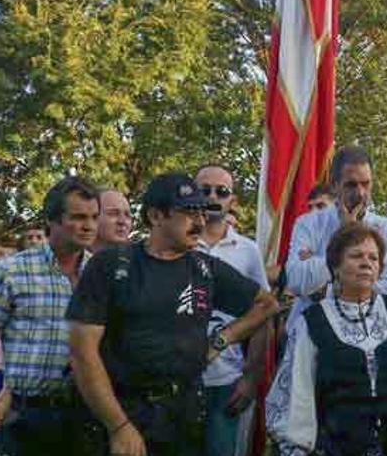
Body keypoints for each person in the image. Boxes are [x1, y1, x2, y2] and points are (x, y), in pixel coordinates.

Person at [67, 173, 279, 456]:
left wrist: (221, 340)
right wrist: (118, 426)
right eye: (189, 213)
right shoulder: (112, 266)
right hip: (123, 412)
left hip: (184, 416)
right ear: (156, 216)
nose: (200, 222)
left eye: (202, 213)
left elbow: (267, 305)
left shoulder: (205, 269)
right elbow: (83, 353)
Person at [266, 223, 387, 456]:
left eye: (373, 258)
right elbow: (296, 392)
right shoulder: (312, 321)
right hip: (335, 447)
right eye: (356, 256)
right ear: (336, 267)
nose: (366, 263)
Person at [0, 176, 99, 454]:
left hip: (79, 415)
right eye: (78, 217)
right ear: (51, 220)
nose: (89, 225)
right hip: (18, 415)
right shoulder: (11, 271)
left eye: (93, 216)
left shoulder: (100, 274)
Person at [195, 165, 271, 456]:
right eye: (205, 190)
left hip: (227, 380)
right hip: (179, 380)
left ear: (233, 201)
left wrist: (251, 377)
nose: (213, 196)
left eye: (222, 191)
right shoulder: (179, 244)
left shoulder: (248, 251)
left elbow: (263, 316)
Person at [284, 145, 387, 305]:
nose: (361, 193)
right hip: (313, 322)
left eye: (366, 184)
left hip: (368, 325)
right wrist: (345, 235)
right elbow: (297, 282)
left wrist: (321, 273)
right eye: (351, 185)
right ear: (334, 185)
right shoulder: (308, 224)